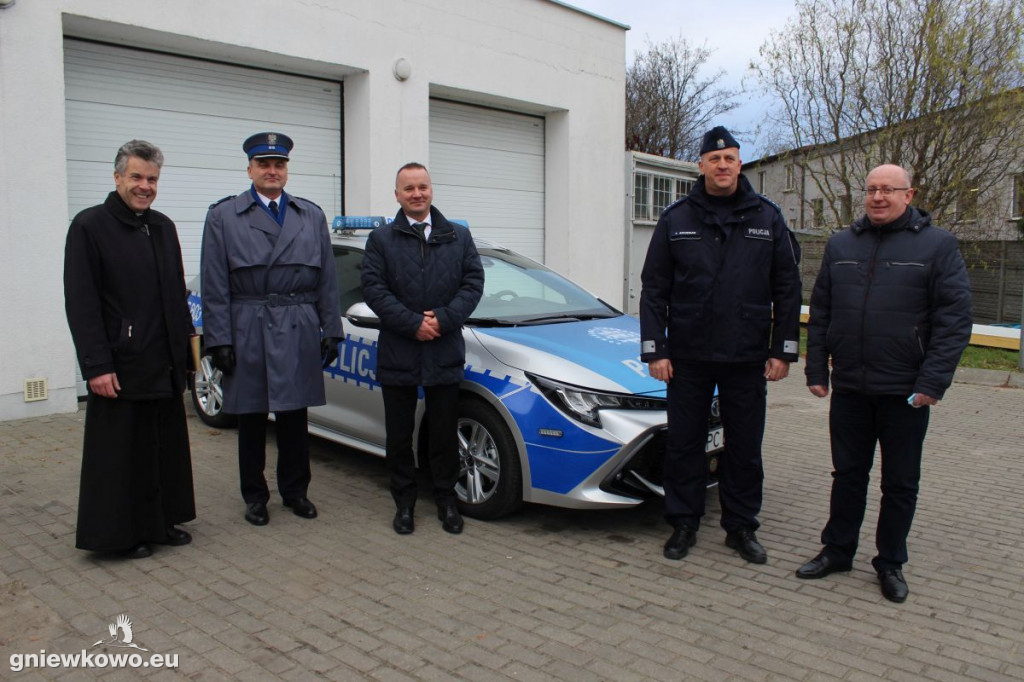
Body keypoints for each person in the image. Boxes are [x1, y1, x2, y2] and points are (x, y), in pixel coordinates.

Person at [797, 164, 973, 603]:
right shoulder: (841, 244)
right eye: (872, 189)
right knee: (847, 475)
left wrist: (933, 382)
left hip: (906, 392)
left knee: (900, 483)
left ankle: (890, 563)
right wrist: (817, 370)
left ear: (908, 195)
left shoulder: (938, 246)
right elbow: (821, 313)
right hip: (851, 388)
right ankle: (837, 551)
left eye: (888, 190)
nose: (878, 197)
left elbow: (954, 321)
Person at [639, 126, 802, 564]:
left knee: (745, 446)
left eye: (729, 158)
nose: (723, 165)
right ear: (701, 166)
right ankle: (683, 523)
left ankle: (741, 527)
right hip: (688, 356)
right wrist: (656, 350)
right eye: (714, 159)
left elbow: (788, 288)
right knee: (685, 445)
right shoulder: (677, 218)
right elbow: (654, 289)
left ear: (740, 162)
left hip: (746, 355)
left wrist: (782, 349)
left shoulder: (767, 218)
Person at [200, 132, 343, 526]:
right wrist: (219, 340)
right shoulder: (224, 216)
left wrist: (331, 328)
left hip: (298, 324)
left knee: (295, 417)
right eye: (264, 164)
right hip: (249, 324)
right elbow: (214, 284)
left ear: (286, 170)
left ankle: (296, 492)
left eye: (279, 165)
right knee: (251, 417)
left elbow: (327, 280)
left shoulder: (310, 215)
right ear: (250, 169)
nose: (272, 171)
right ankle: (255, 497)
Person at [64, 139, 196, 559]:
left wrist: (188, 356)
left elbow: (176, 294)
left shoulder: (162, 226)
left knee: (162, 447)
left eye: (152, 178)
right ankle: (120, 535)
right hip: (120, 366)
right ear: (118, 176)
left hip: (162, 362)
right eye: (136, 177)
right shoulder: (90, 227)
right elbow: (81, 302)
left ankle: (161, 522)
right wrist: (96, 365)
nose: (145, 186)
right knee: (122, 456)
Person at [361, 162, 484, 535]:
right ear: (397, 195)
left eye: (423, 187)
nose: (417, 194)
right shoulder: (381, 239)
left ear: (432, 190)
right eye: (409, 188)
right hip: (399, 349)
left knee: (443, 435)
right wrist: (413, 324)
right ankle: (404, 504)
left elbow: (473, 283)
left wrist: (443, 320)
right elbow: (374, 290)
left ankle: (446, 502)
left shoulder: (458, 236)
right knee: (399, 437)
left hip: (443, 349)